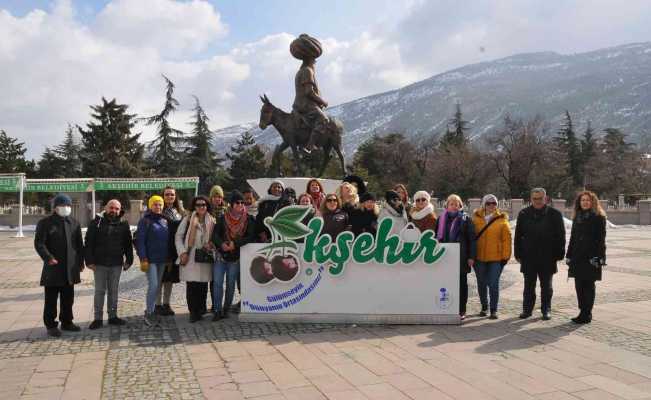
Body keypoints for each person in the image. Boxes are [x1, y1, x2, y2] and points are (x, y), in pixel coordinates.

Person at [34, 194, 84, 337]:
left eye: (68, 205)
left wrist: (80, 263)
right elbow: (39, 243)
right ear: (55, 208)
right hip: (53, 267)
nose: (66, 208)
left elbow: (79, 245)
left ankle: (67, 322)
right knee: (51, 299)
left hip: (70, 268)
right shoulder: (45, 223)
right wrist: (48, 257)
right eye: (63, 206)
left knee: (68, 297)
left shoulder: (74, 223)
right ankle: (50, 325)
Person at [515, 188, 565, 320]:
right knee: (528, 286)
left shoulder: (555, 214)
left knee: (546, 287)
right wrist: (517, 253)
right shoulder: (524, 213)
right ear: (531, 199)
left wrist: (559, 254)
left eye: (540, 198)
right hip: (528, 256)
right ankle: (527, 310)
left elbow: (561, 236)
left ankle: (546, 309)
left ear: (546, 199)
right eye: (534, 199)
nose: (537, 201)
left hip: (547, 256)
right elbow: (518, 235)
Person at [84, 199, 133, 330]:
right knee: (99, 291)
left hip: (116, 263)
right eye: (111, 208)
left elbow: (128, 244)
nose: (114, 211)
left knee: (114, 291)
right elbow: (88, 243)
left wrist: (129, 260)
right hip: (99, 264)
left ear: (120, 210)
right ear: (106, 208)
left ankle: (113, 316)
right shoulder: (96, 223)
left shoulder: (124, 223)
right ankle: (98, 318)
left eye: (117, 209)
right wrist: (89, 261)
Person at [212, 191, 255, 320]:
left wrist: (235, 244)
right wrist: (221, 245)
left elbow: (250, 236)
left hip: (235, 257)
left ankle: (226, 308)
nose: (240, 205)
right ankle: (217, 310)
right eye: (237, 202)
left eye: (242, 202)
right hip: (221, 256)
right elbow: (215, 235)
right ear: (231, 204)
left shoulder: (248, 219)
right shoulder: (222, 217)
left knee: (231, 284)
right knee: (218, 283)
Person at [567, 191, 606, 324]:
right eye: (582, 200)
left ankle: (586, 313)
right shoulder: (577, 217)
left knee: (588, 285)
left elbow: (601, 240)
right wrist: (568, 255)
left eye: (587, 200)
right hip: (577, 257)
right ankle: (582, 311)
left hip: (591, 257)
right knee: (579, 285)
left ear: (593, 202)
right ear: (579, 202)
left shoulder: (599, 217)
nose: (585, 202)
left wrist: (600, 258)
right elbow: (572, 238)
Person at [435, 194, 476, 320]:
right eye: (451, 204)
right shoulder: (441, 219)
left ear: (460, 206)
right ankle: (446, 307)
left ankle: (461, 309)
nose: (453, 206)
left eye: (456, 204)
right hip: (445, 256)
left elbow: (472, 239)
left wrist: (471, 256)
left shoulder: (465, 219)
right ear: (446, 205)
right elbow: (436, 237)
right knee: (445, 283)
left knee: (461, 284)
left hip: (461, 257)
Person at [176, 196, 215, 323]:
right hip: (190, 255)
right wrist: (182, 252)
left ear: (207, 206)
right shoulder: (188, 219)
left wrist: (211, 245)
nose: (201, 207)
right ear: (194, 206)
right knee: (192, 285)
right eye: (198, 205)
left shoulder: (212, 220)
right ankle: (193, 312)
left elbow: (216, 238)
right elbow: (178, 236)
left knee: (203, 285)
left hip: (204, 256)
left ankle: (201, 310)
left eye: (203, 204)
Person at [472, 194, 511, 319]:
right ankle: (484, 307)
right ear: (484, 204)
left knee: (493, 283)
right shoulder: (475, 218)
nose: (491, 206)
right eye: (488, 203)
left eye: (494, 203)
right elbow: (471, 237)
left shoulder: (502, 219)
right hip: (479, 258)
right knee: (481, 283)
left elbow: (507, 239)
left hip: (496, 258)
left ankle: (494, 309)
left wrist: (505, 257)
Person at [290, 34, 329, 154]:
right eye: (314, 61)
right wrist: (322, 101)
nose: (315, 63)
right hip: (306, 105)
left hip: (299, 104)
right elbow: (309, 92)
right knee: (324, 119)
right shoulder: (308, 71)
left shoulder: (301, 71)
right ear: (311, 59)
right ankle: (309, 146)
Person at [136, 195, 170, 327]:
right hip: (150, 260)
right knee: (153, 285)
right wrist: (143, 258)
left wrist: (168, 258)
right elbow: (141, 241)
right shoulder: (145, 221)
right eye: (155, 204)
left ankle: (153, 309)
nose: (158, 207)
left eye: (160, 204)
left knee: (157, 286)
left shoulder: (164, 221)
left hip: (162, 259)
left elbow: (166, 241)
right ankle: (149, 312)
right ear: (150, 205)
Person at [156, 186, 184, 317]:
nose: (170, 197)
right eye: (167, 194)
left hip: (174, 251)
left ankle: (166, 304)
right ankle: (157, 305)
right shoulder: (158, 211)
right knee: (159, 279)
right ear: (163, 196)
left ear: (175, 197)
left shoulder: (178, 212)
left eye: (172, 195)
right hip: (161, 250)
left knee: (170, 279)